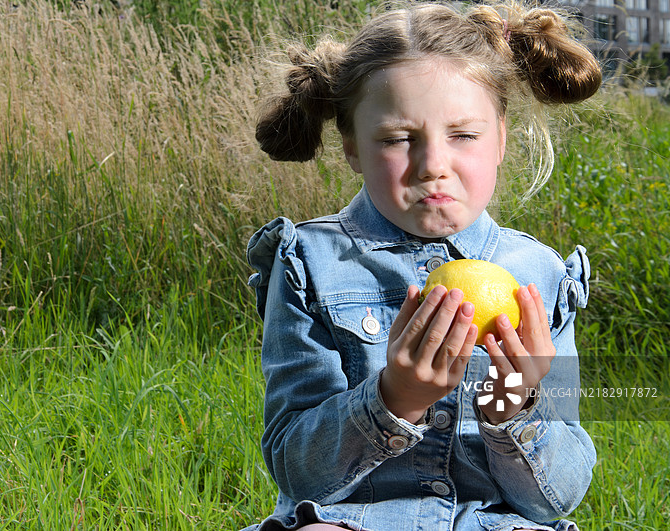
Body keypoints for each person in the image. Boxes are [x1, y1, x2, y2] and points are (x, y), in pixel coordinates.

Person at [244, 1, 602, 530]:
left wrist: (514, 408)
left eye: (463, 135)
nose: (433, 164)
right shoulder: (309, 263)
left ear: (500, 138)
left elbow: (557, 499)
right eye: (396, 139)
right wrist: (395, 398)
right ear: (352, 149)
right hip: (353, 520)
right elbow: (297, 472)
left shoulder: (540, 276)